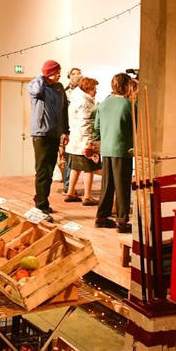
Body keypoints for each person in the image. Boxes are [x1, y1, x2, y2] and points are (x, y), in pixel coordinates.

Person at [28, 59, 69, 220]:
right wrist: (42, 77)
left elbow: (64, 109)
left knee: (50, 171)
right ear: (48, 73)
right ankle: (40, 205)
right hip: (40, 134)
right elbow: (36, 91)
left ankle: (42, 199)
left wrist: (65, 131)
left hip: (54, 134)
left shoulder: (59, 88)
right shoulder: (37, 85)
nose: (59, 75)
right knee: (42, 171)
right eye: (56, 72)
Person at [93, 73, 133, 233]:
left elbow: (96, 128)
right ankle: (122, 221)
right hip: (122, 149)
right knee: (122, 186)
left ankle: (101, 217)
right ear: (126, 86)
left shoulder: (103, 104)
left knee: (107, 184)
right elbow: (138, 125)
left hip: (107, 148)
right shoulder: (128, 105)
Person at [65, 77, 100, 205]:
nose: (95, 92)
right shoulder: (85, 103)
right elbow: (85, 123)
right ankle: (87, 196)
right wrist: (89, 142)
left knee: (75, 168)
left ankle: (70, 192)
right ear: (88, 89)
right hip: (83, 140)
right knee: (89, 168)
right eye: (94, 89)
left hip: (75, 140)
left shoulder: (75, 99)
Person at [62, 68, 82, 194]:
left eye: (79, 73)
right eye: (74, 74)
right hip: (68, 127)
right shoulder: (65, 92)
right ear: (69, 76)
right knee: (68, 157)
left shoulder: (82, 91)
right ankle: (68, 185)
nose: (77, 76)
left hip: (79, 126)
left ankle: (70, 186)